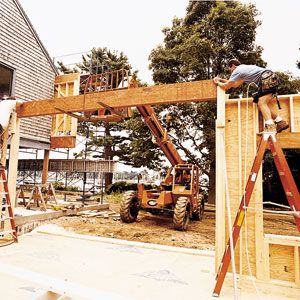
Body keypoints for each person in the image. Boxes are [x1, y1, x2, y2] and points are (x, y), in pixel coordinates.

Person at [213, 59, 289, 133]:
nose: (231, 72)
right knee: (261, 105)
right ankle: (280, 122)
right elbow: (235, 84)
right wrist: (220, 79)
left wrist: (217, 83)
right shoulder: (244, 69)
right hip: (270, 78)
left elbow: (227, 86)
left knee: (261, 103)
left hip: (266, 79)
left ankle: (270, 127)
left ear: (233, 66)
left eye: (231, 70)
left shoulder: (237, 70)